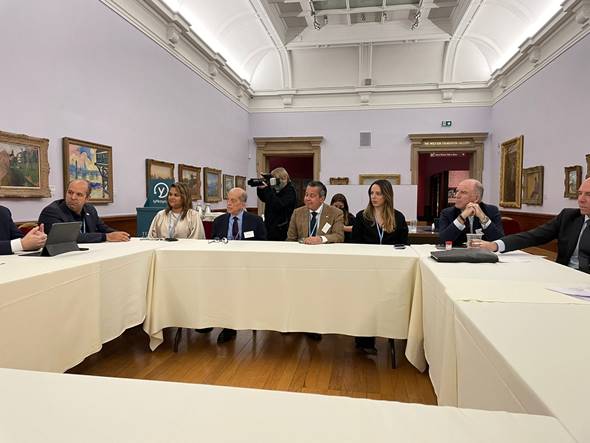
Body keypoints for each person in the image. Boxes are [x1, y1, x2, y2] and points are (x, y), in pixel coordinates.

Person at [476, 177, 590, 273]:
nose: (581, 200)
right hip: (564, 275)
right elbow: (533, 236)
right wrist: (495, 245)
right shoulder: (569, 216)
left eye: (588, 194)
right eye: (580, 193)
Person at [351, 179, 408, 354]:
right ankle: (364, 342)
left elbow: (403, 244)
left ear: (387, 195)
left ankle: (391, 335)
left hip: (390, 270)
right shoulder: (362, 216)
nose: (373, 197)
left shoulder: (398, 217)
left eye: (378, 193)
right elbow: (355, 243)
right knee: (367, 305)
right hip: (367, 269)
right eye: (371, 193)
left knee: (388, 304)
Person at [211, 187, 267, 344]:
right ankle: (228, 327)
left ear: (243, 204)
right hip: (224, 269)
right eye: (228, 200)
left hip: (248, 268)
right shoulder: (219, 221)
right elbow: (212, 245)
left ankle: (251, 319)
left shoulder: (255, 221)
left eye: (233, 200)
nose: (229, 203)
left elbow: (263, 244)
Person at [38, 179, 130, 243]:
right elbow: (67, 238)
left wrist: (122, 235)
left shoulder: (90, 210)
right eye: (70, 192)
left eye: (79, 194)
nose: (73, 197)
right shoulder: (52, 211)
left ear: (87, 199)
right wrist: (106, 237)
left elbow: (104, 228)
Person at [438, 178, 504, 247]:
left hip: (483, 255)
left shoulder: (491, 211)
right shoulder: (447, 213)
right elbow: (443, 240)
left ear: (476, 198)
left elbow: (499, 241)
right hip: (457, 255)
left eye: (463, 192)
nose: (456, 196)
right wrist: (462, 217)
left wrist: (483, 217)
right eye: (457, 191)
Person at [287, 180, 344, 244]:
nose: (307, 198)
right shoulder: (297, 213)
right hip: (303, 251)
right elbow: (291, 239)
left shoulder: (336, 213)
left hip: (324, 251)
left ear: (322, 199)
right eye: (306, 195)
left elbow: (339, 236)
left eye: (312, 196)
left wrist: (321, 239)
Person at [256, 167, 296, 241]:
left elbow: (278, 205)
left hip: (282, 229)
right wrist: (260, 188)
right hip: (269, 226)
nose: (274, 182)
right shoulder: (274, 189)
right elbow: (264, 198)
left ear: (284, 178)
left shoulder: (290, 191)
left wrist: (267, 189)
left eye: (276, 179)